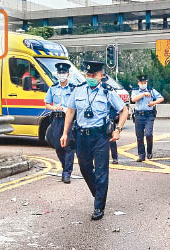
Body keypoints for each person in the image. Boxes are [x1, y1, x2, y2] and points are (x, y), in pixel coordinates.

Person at [60, 61, 128, 220]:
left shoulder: (107, 92)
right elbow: (70, 111)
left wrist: (118, 130)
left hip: (100, 137)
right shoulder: (78, 90)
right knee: (84, 168)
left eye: (94, 75)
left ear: (101, 76)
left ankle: (98, 207)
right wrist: (65, 133)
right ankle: (99, 192)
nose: (90, 77)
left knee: (101, 172)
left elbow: (124, 110)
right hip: (81, 136)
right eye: (88, 75)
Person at [44, 62, 75, 184]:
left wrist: (70, 109)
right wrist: (54, 108)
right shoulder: (53, 88)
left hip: (69, 118)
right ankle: (65, 167)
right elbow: (47, 104)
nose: (62, 75)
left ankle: (67, 173)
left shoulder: (73, 88)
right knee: (58, 145)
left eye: (64, 73)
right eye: (60, 73)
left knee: (69, 146)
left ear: (68, 74)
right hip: (56, 119)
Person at [131, 75, 164, 162]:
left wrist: (153, 102)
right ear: (138, 83)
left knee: (148, 134)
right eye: (142, 82)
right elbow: (133, 99)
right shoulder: (135, 90)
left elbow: (161, 98)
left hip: (149, 115)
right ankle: (141, 155)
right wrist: (143, 94)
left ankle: (149, 151)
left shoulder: (150, 89)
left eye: (145, 82)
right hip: (138, 115)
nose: (143, 84)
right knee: (139, 136)